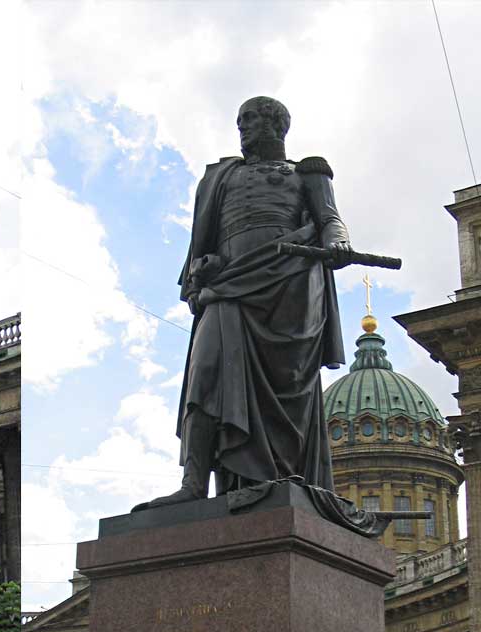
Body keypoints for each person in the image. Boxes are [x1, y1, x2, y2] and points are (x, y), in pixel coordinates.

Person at [136, 96, 360, 513]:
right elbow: (201, 243)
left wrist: (338, 243)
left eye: (252, 120)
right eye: (240, 121)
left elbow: (329, 218)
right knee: (206, 373)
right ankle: (192, 483)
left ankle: (276, 476)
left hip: (288, 286)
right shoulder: (220, 177)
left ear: (277, 125)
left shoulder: (306, 172)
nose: (242, 128)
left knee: (286, 384)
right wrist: (201, 270)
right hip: (228, 286)